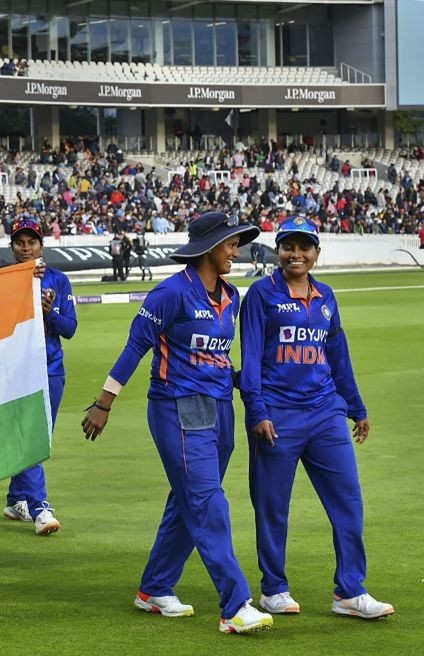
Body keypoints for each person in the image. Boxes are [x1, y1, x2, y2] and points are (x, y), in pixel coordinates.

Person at [81, 211, 275, 634]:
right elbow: (135, 347)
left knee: (188, 500)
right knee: (208, 502)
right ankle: (236, 605)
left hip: (221, 408)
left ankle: (154, 588)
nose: (235, 251)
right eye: (229, 244)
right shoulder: (170, 294)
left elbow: (218, 359)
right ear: (208, 248)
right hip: (177, 406)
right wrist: (103, 403)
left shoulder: (232, 297)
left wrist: (252, 385)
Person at [239, 217, 394, 620]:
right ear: (278, 251)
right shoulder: (260, 294)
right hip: (277, 415)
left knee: (348, 501)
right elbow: (250, 358)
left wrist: (356, 408)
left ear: (316, 253)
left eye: (305, 247)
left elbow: (338, 357)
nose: (296, 254)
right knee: (273, 506)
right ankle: (273, 588)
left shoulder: (326, 296)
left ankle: (350, 591)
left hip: (326, 411)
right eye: (289, 246)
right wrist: (257, 410)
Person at [2, 219, 74, 535]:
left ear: (41, 245)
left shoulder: (58, 280)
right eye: (20, 242)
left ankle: (16, 499)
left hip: (51, 368)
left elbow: (70, 329)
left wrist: (49, 313)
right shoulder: (2, 281)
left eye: (31, 242)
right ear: (12, 247)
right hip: (16, 369)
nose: (26, 247)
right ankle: (39, 507)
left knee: (39, 438)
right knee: (32, 436)